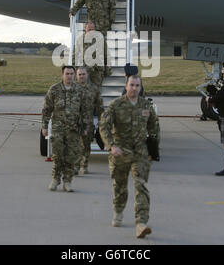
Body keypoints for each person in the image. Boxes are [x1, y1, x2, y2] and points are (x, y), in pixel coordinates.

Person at [99, 75, 160, 238]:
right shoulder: (116, 105)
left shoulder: (146, 106)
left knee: (141, 186)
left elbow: (154, 127)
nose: (134, 88)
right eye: (131, 85)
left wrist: (153, 151)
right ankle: (118, 211)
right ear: (126, 86)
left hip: (140, 152)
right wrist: (111, 146)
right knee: (120, 186)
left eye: (137, 85)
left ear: (140, 88)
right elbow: (104, 126)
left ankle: (141, 223)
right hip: (120, 152)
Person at [41, 66, 91, 192]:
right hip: (58, 128)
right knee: (57, 155)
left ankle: (67, 181)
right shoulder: (54, 90)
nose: (69, 76)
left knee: (71, 156)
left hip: (74, 129)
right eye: (67, 73)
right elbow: (47, 109)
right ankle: (56, 178)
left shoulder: (80, 90)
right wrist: (44, 126)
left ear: (75, 75)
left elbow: (85, 111)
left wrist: (85, 127)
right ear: (62, 75)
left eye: (72, 74)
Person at [75, 66, 104, 174]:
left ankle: (84, 165)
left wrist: (101, 121)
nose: (82, 76)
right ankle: (75, 166)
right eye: (80, 74)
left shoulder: (94, 89)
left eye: (83, 74)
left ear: (87, 75)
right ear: (76, 76)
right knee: (75, 145)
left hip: (87, 122)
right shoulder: (72, 88)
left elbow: (100, 106)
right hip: (74, 121)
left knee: (86, 145)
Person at [72, 20, 112, 86]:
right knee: (83, 89)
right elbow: (74, 55)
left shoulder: (100, 38)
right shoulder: (80, 40)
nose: (91, 31)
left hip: (97, 70)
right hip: (85, 70)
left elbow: (106, 54)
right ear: (85, 29)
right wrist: (75, 69)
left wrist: (107, 68)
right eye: (89, 29)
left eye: (92, 29)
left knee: (96, 90)